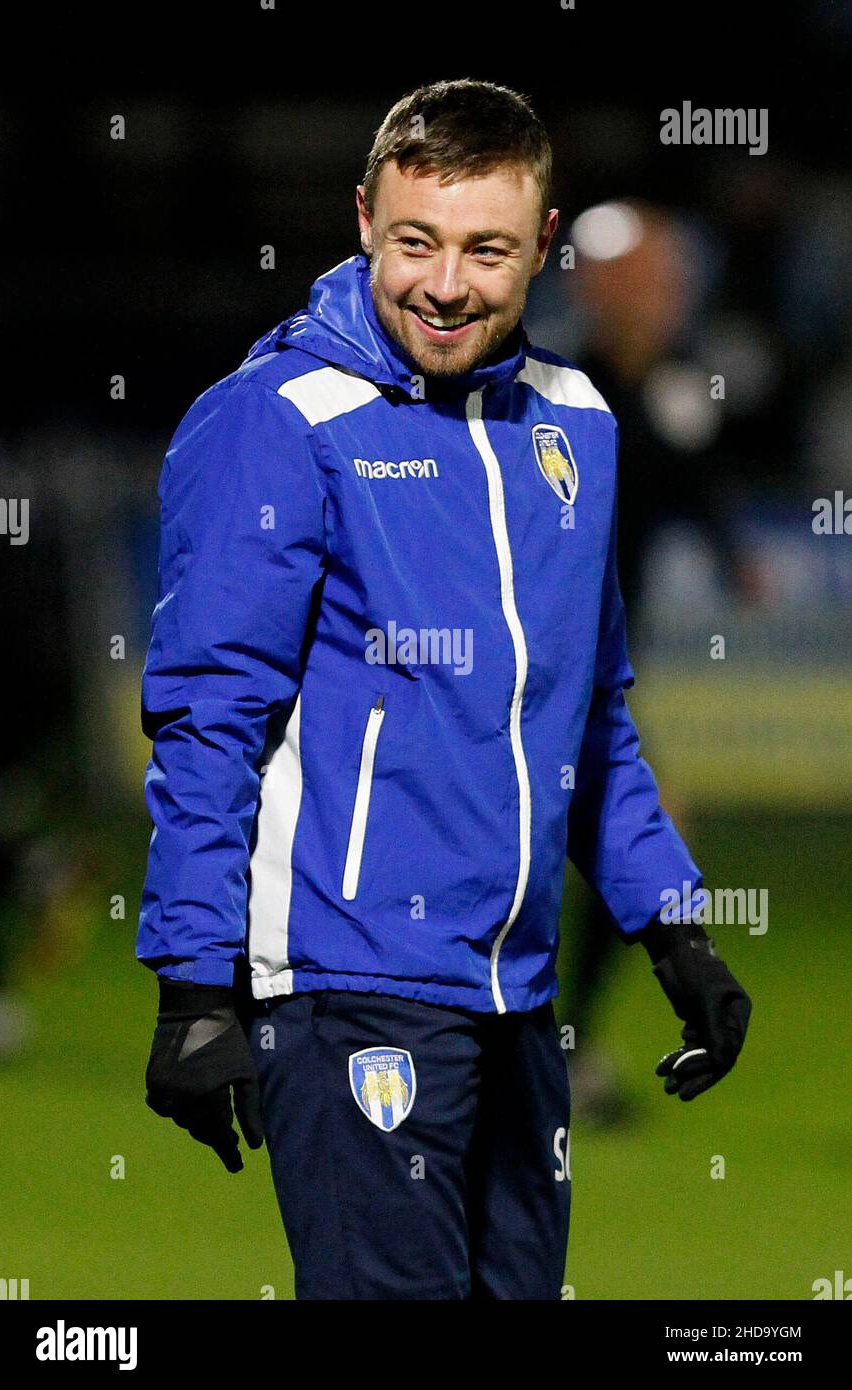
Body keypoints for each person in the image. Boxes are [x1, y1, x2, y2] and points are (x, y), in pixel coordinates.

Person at [137, 79, 751, 1301]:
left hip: (516, 998)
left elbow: (589, 716)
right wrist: (193, 987)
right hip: (348, 984)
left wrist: (671, 928)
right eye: (415, 240)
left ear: (541, 242)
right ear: (364, 218)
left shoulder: (574, 420)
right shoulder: (280, 418)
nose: (445, 283)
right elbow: (209, 721)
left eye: (485, 248)